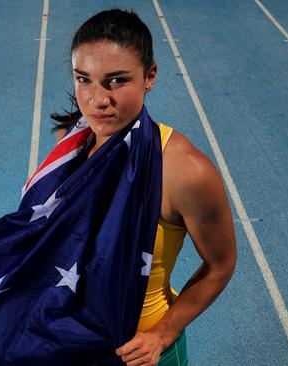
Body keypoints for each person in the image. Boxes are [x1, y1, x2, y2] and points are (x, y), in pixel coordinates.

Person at [50, 8, 237, 366]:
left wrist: (162, 335)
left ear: (149, 76)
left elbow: (221, 264)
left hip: (139, 353)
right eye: (83, 79)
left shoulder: (184, 171)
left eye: (116, 80)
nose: (97, 100)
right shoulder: (70, 142)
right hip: (70, 343)